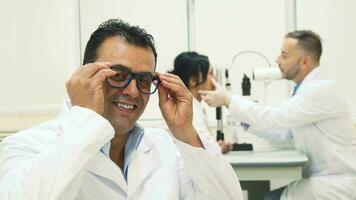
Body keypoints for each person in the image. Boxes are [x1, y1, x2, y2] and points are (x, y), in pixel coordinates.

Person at [0, 19, 243, 200]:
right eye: (118, 75)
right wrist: (85, 118)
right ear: (86, 75)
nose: (133, 92)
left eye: (144, 80)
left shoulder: (164, 147)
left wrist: (185, 133)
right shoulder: (26, 146)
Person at [199, 30, 356, 200]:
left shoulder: (319, 91)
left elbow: (274, 118)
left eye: (284, 55)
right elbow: (284, 131)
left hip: (338, 183)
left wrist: (229, 100)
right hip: (326, 178)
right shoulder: (304, 90)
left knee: (271, 198)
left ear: (304, 62)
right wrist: (245, 120)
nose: (277, 60)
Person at [169, 51, 233, 154]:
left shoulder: (193, 106)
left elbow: (200, 143)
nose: (215, 78)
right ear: (193, 80)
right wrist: (218, 148)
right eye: (211, 73)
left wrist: (214, 145)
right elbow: (203, 151)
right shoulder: (188, 109)